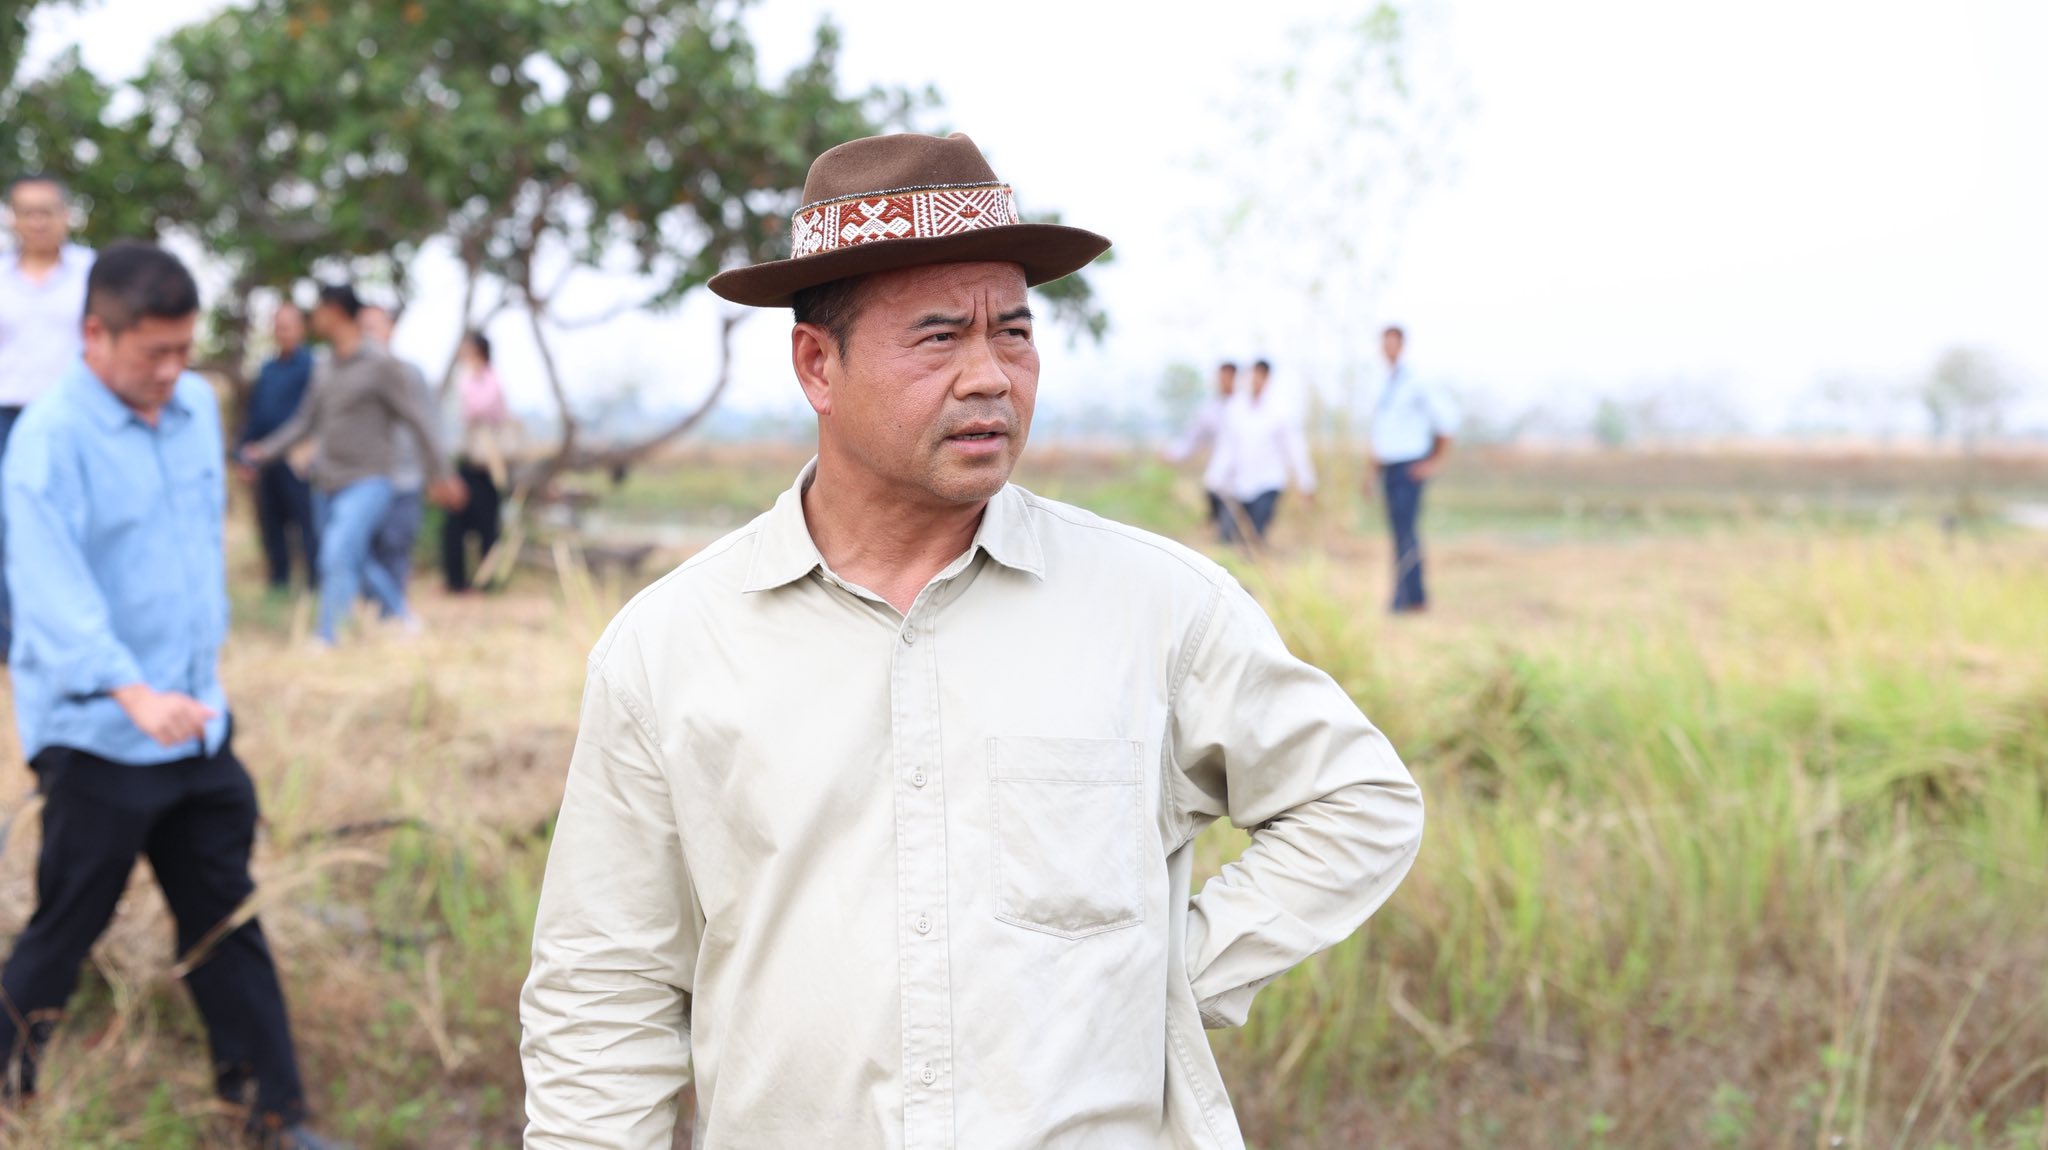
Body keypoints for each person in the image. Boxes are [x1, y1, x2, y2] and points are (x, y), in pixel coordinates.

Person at [519, 131, 1424, 1150]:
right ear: (817, 364)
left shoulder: (1157, 607)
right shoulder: (671, 647)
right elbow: (603, 994)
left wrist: (1169, 978)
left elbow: (1357, 802)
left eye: (1014, 333)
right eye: (939, 337)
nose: (990, 376)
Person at [0, 242, 346, 1150]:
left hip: (194, 725)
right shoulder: (48, 440)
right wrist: (131, 691)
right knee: (66, 928)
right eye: (153, 352)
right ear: (95, 334)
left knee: (226, 920)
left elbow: (193, 554)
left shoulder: (192, 410)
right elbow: (51, 591)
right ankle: (5, 1093)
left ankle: (273, 1117)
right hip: (98, 732)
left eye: (183, 349)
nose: (171, 370)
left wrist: (193, 690)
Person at [241, 285, 460, 647]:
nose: (313, 319)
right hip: (328, 481)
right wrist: (262, 451)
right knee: (352, 557)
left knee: (336, 552)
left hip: (370, 479)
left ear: (335, 312)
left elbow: (419, 420)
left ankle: (328, 636)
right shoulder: (324, 366)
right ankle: (401, 615)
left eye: (318, 310)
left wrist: (441, 473)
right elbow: (303, 422)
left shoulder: (382, 366)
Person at [0, 176, 94, 658]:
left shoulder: (90, 271)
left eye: (47, 211)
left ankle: (74, 629)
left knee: (74, 520)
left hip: (71, 415)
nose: (37, 221)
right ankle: (12, 637)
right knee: (8, 525)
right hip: (6, 417)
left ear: (66, 215)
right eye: (27, 212)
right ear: (12, 218)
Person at [1369, 325, 1456, 614]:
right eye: (1384, 343)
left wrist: (1434, 462)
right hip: (1389, 468)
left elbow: (1446, 421)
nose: (1388, 348)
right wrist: (1371, 474)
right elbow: (1382, 434)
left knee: (1406, 533)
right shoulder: (1386, 383)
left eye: (1392, 343)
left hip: (1409, 468)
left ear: (1402, 345)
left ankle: (1405, 598)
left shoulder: (1417, 380)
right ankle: (1413, 597)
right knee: (1399, 533)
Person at [238, 302, 320, 593]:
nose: (282, 332)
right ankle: (279, 581)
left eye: (288, 326)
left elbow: (310, 417)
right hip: (265, 458)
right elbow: (257, 413)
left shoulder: (312, 366)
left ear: (300, 329)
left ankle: (314, 582)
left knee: (306, 521)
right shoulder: (268, 368)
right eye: (278, 326)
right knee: (271, 523)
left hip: (297, 458)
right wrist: (245, 453)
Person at [357, 304, 433, 602]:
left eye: (374, 328)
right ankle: (377, 611)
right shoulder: (352, 375)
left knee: (396, 546)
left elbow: (429, 425)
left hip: (405, 478)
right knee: (365, 549)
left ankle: (394, 612)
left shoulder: (410, 374)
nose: (368, 336)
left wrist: (436, 472)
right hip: (364, 479)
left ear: (391, 329)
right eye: (363, 329)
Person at [1208, 358, 1316, 545]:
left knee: (1254, 537)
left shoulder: (1280, 411)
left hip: (1267, 483)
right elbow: (1226, 449)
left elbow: (1295, 449)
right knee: (1226, 538)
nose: (1254, 380)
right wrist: (1214, 478)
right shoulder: (1235, 410)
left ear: (1267, 378)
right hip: (1237, 485)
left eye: (1259, 376)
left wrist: (1306, 482)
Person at [441, 330, 510, 594]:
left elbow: (476, 409)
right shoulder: (467, 378)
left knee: (487, 525)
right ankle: (456, 581)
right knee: (455, 522)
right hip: (468, 460)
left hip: (488, 465)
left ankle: (486, 582)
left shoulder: (489, 379)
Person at [1163, 360, 1237, 534]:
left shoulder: (1247, 408)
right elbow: (1191, 439)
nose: (1224, 382)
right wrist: (1172, 454)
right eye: (1222, 378)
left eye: (1229, 378)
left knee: (1240, 530)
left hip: (1246, 482)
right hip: (1219, 480)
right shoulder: (1210, 411)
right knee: (1224, 530)